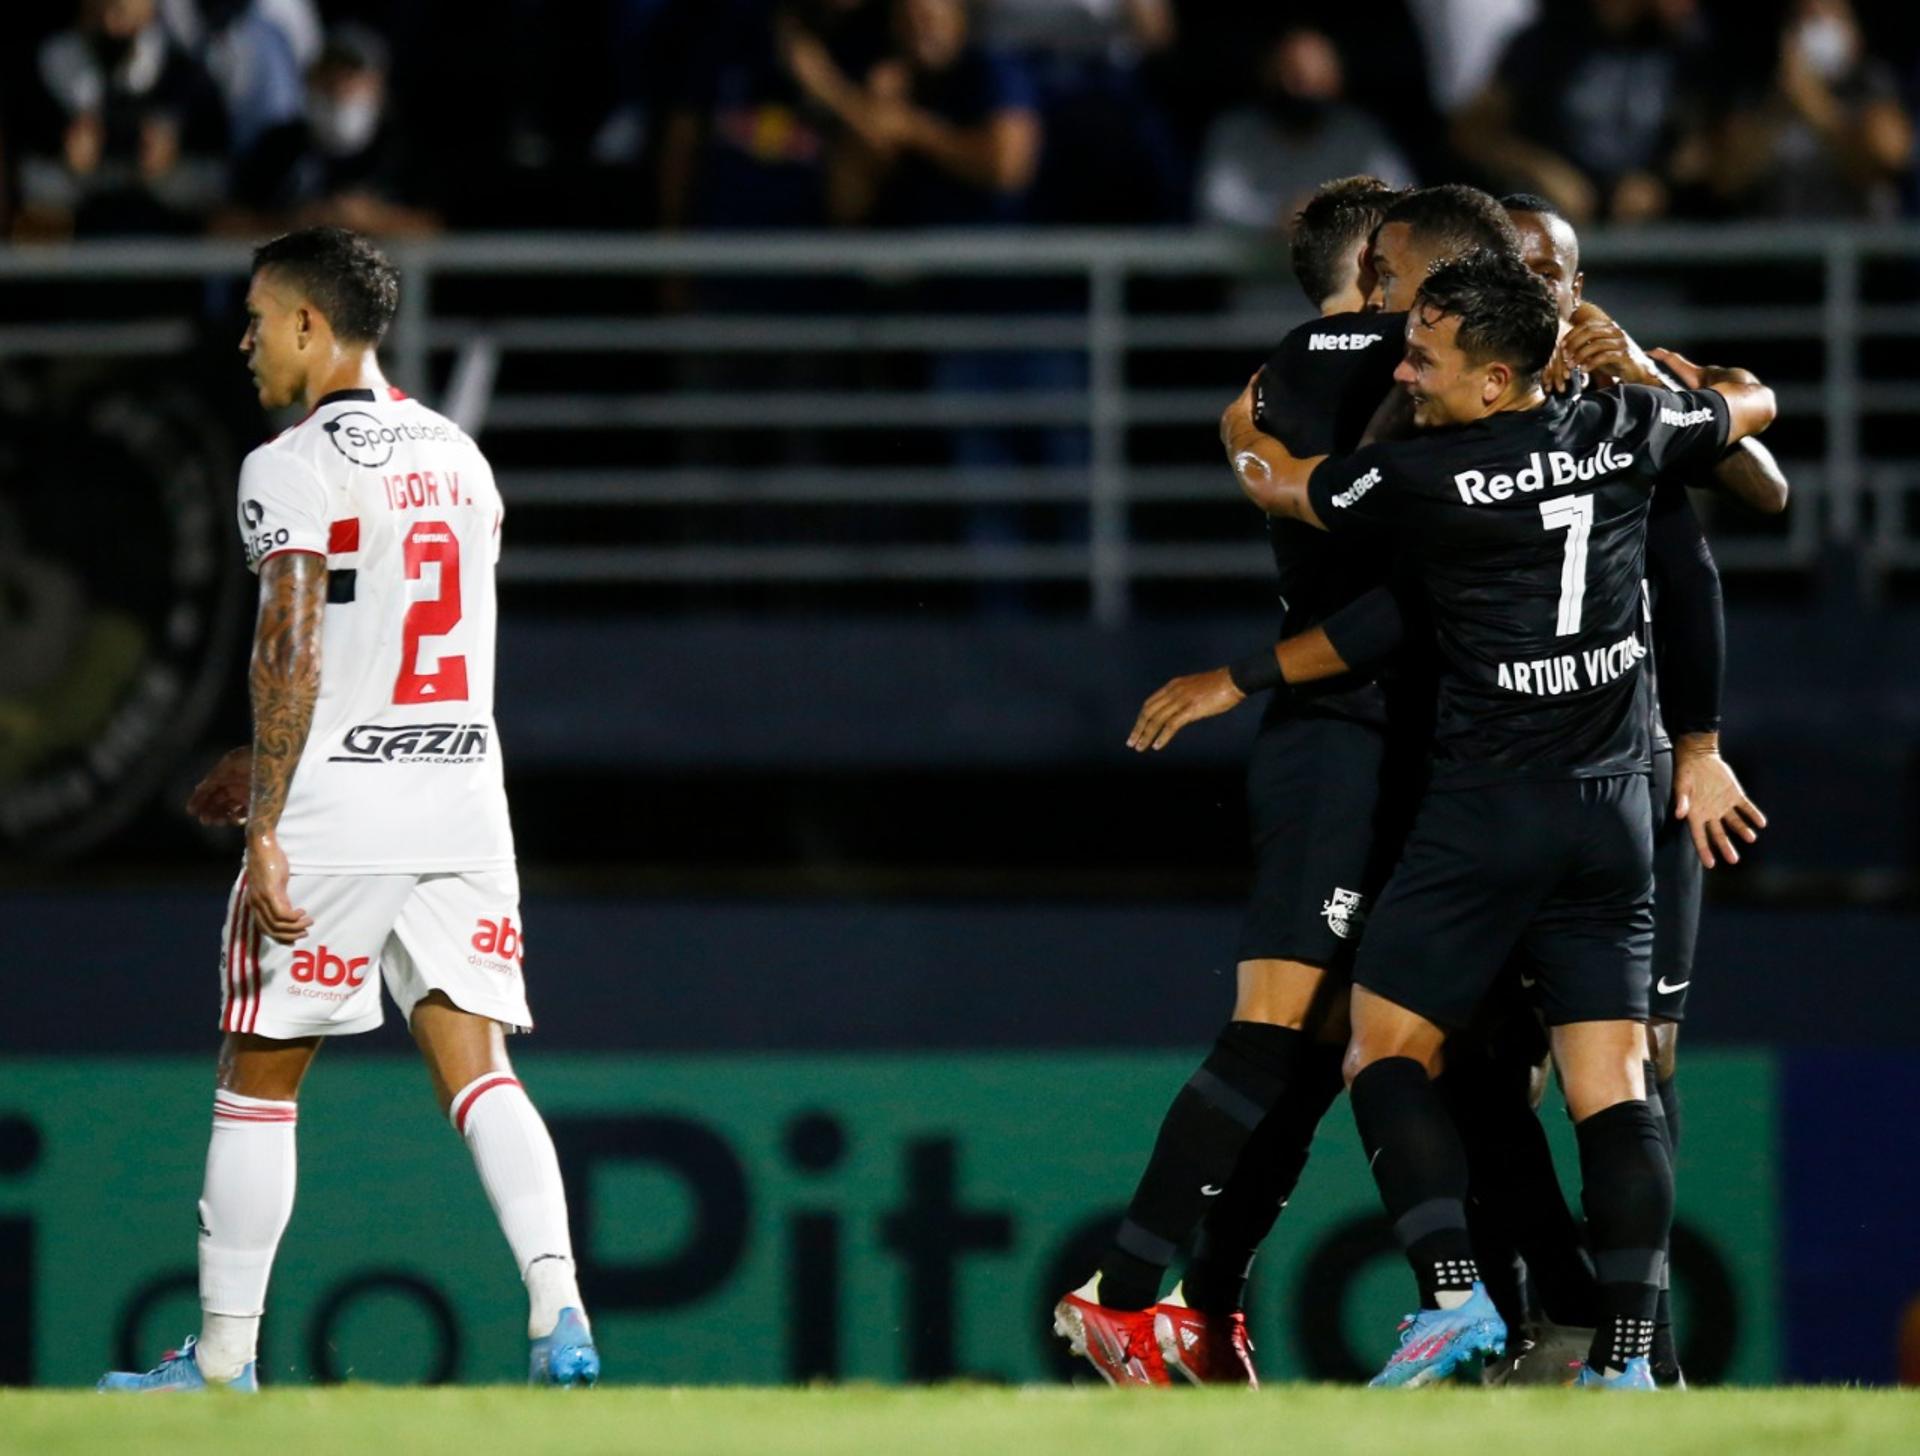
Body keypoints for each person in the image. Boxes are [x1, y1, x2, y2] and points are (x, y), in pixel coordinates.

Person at [1214, 250, 1776, 1388]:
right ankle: (1628, 1362)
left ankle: (1455, 1296)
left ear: (1495, 379)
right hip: (1612, 814)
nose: (1406, 371)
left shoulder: (1420, 477)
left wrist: (1243, 421)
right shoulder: (1626, 425)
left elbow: (1285, 487)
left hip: (1484, 813)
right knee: (1613, 1083)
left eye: (1427, 356)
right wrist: (1701, 384)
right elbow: (1750, 408)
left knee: (1381, 1049)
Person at [98, 227, 598, 1393]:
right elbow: (405, 646)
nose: (246, 341)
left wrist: (266, 816)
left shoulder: (289, 462)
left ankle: (221, 1362)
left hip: (337, 810)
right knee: (479, 1070)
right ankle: (560, 1310)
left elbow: (297, 642)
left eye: (260, 319)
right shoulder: (464, 460)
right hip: (465, 796)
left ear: (312, 327)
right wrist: (255, 753)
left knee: (258, 1073)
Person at [1052, 182, 1522, 1389]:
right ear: (1380, 264)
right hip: (1346, 736)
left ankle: (1205, 1310)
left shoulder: (1277, 385)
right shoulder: (1382, 357)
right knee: (1280, 1032)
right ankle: (1124, 1291)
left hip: (1379, 736)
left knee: (1320, 1052)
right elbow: (1402, 586)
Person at [1451, 0, 1712, 225]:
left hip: (1655, 239)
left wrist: (1658, 183)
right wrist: (1541, 170)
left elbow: (1705, 142)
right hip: (1552, 234)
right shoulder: (1545, 41)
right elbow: (1473, 134)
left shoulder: (1683, 46)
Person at [1707, 0, 1912, 220]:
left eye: (1829, 15)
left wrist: (1816, 107)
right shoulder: (1762, 91)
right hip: (1775, 246)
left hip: (1852, 245)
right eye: (1808, 17)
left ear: (1854, 32)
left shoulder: (1871, 83)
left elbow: (1888, 161)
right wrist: (1779, 106)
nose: (1818, 27)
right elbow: (1725, 180)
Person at [1195, 28, 1413, 232]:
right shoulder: (1235, 131)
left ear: (1336, 78)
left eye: (1315, 79)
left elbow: (1400, 201)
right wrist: (1279, 216)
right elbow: (1214, 207)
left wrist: (1335, 213)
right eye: (1293, 75)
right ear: (1268, 73)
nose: (1301, 90)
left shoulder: (1360, 134)